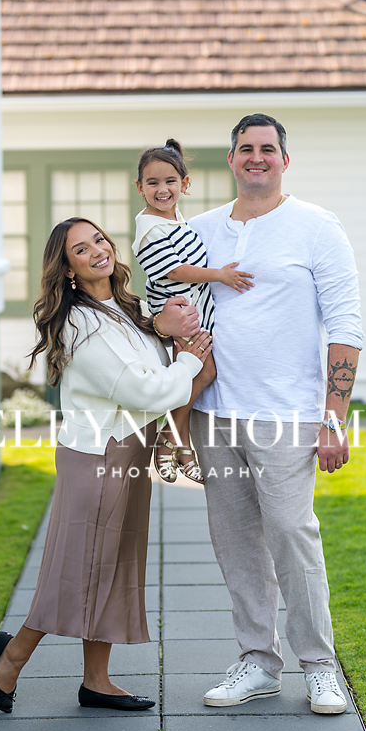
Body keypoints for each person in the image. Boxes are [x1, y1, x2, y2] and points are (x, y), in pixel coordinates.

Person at [0, 217, 211, 713]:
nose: (97, 251)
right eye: (81, 249)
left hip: (128, 449)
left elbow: (146, 366)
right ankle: (13, 656)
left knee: (112, 567)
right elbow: (142, 388)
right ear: (67, 268)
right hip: (97, 455)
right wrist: (190, 360)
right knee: (76, 569)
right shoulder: (80, 322)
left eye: (100, 241)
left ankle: (97, 681)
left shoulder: (124, 308)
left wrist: (162, 331)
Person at [189, 114, 363, 715]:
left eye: (267, 148)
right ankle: (258, 662)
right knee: (235, 540)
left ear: (284, 160)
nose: (256, 157)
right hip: (212, 413)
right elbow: (169, 302)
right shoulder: (199, 230)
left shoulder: (316, 226)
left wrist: (333, 418)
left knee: (291, 535)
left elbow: (345, 327)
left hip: (287, 415)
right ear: (231, 160)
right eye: (245, 148)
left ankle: (320, 665)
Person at [132, 139, 254, 483]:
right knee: (201, 374)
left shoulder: (175, 222)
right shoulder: (150, 230)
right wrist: (220, 275)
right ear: (139, 188)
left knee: (200, 374)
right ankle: (170, 439)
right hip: (181, 316)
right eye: (152, 183)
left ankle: (180, 444)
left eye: (170, 181)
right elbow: (174, 271)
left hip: (194, 312)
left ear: (184, 184)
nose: (162, 189)